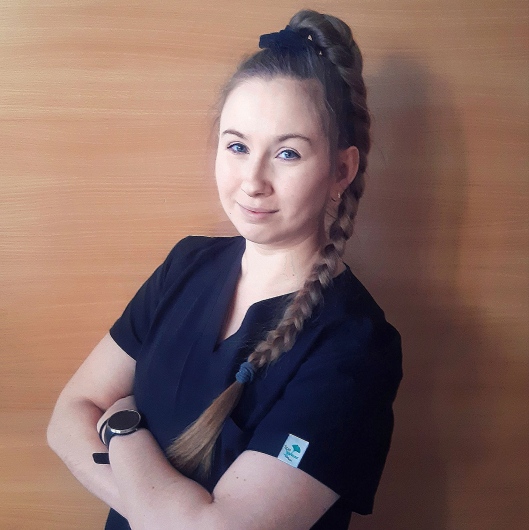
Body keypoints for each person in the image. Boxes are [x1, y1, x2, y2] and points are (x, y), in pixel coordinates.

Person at [47, 9, 402, 530]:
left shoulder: (355, 346)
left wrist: (121, 427)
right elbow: (67, 416)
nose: (252, 180)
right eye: (237, 146)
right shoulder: (186, 265)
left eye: (287, 153)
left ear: (341, 170)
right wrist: (161, 514)